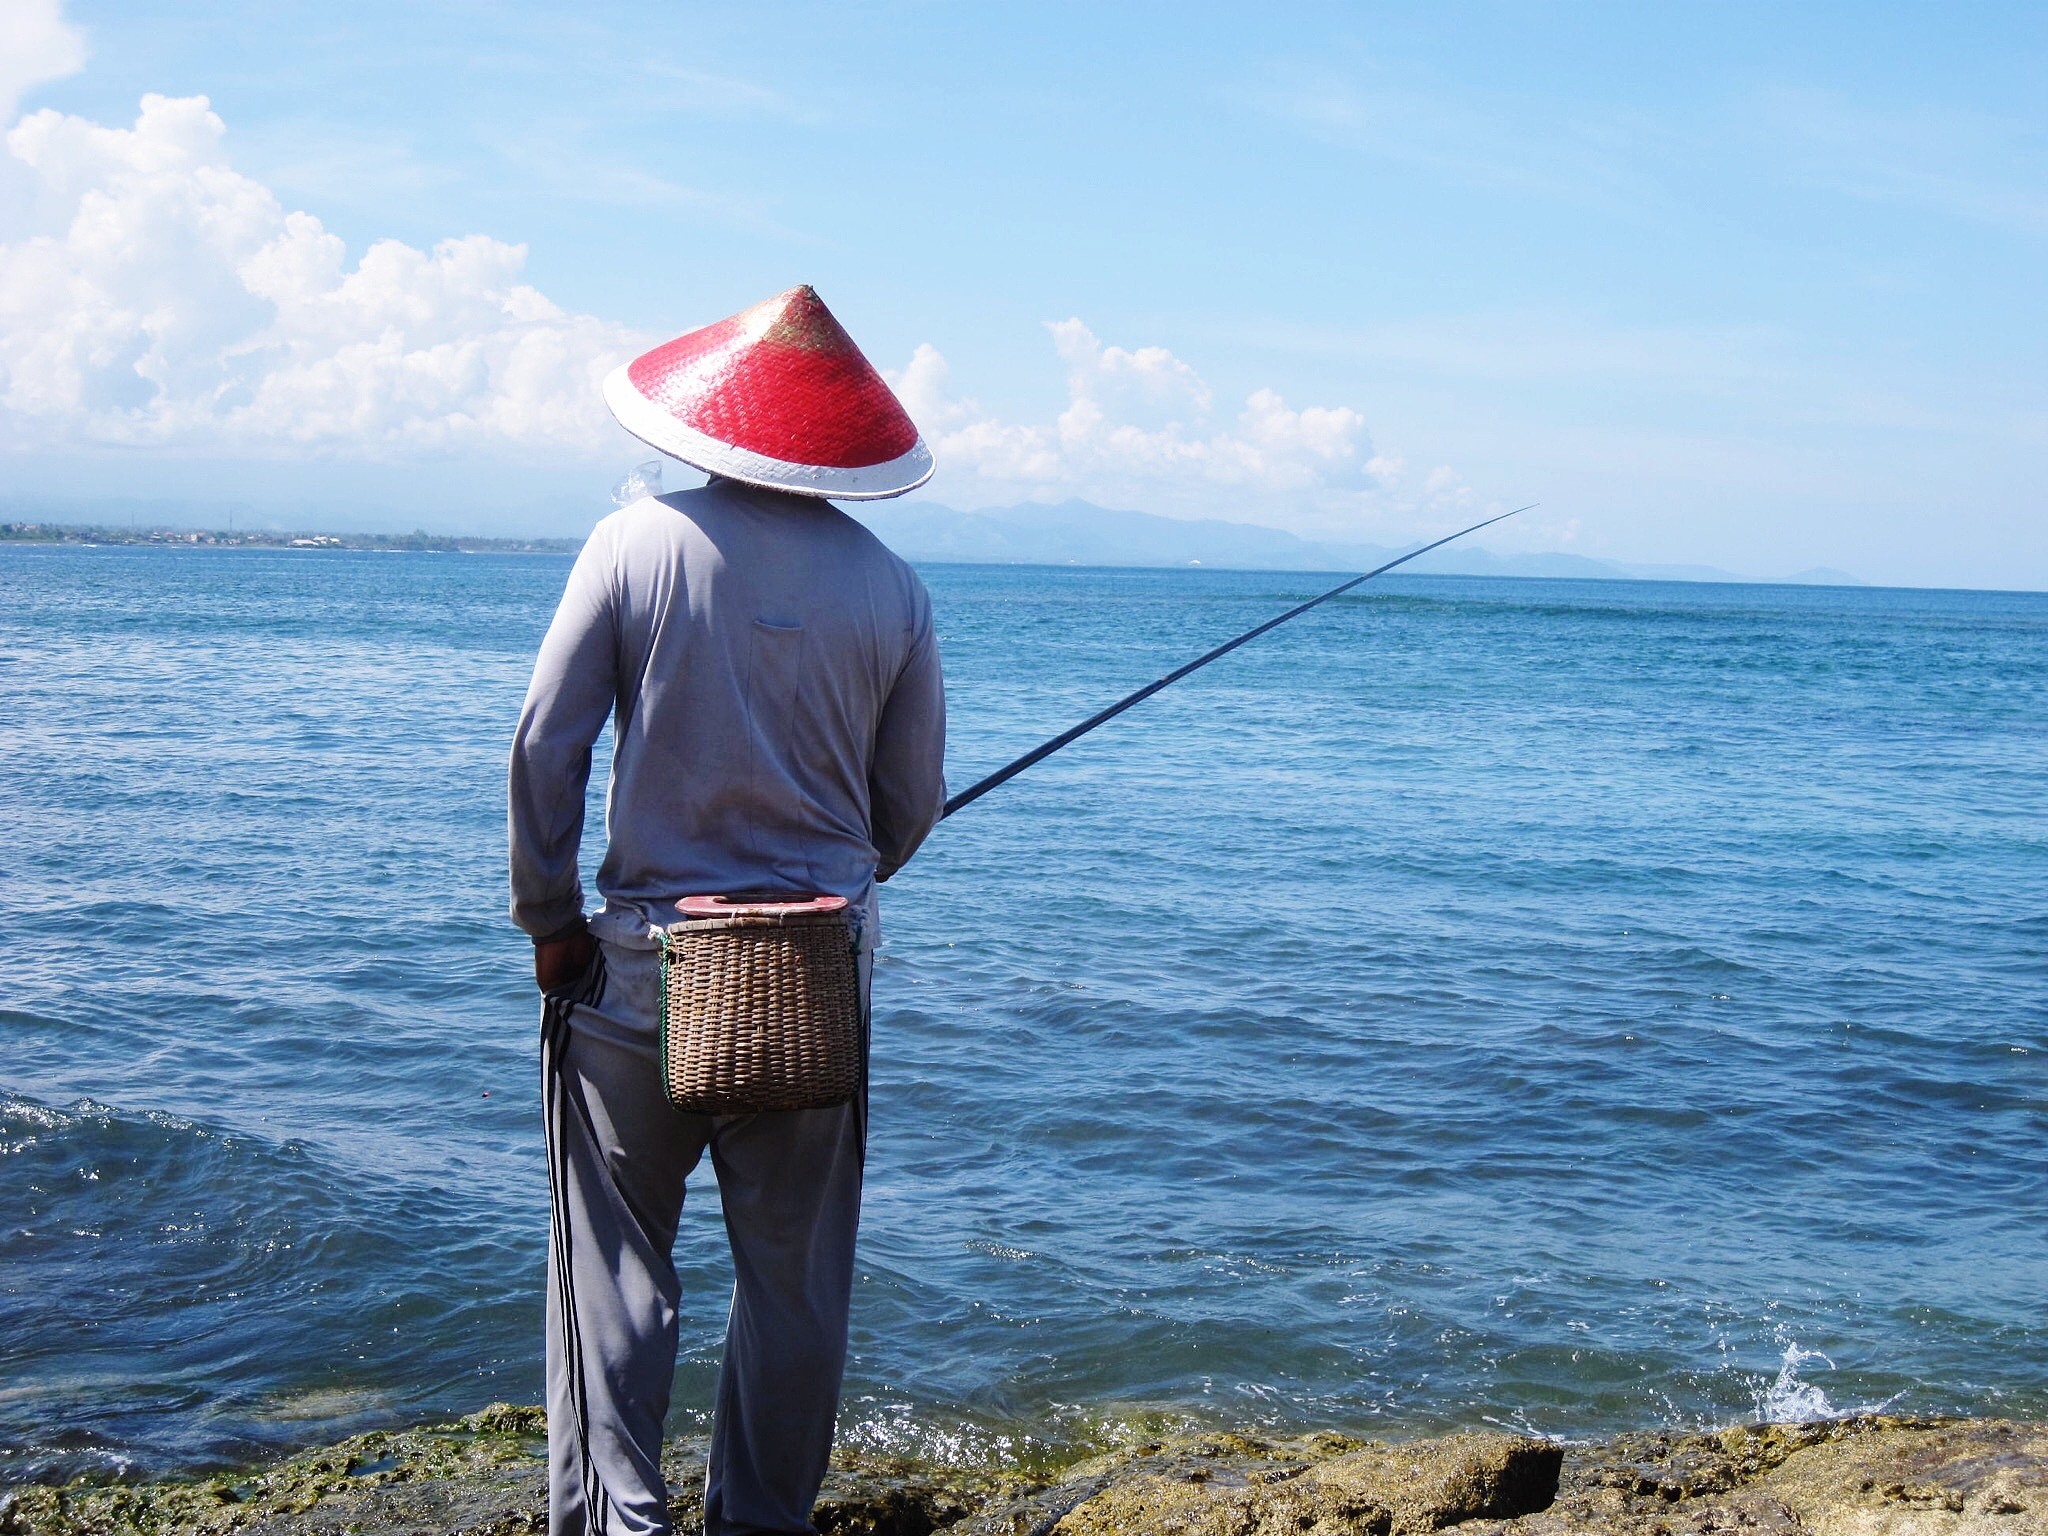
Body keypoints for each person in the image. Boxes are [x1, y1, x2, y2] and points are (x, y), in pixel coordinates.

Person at [507, 285, 947, 1536]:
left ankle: (619, 1524)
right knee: (796, 1287)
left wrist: (549, 919)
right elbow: (903, 809)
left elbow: (547, 746)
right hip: (812, 980)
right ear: (839, 447)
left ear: (711, 423)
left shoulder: (633, 543)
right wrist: (844, 883)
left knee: (612, 1279)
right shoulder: (893, 590)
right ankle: (759, 1520)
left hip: (639, 973)